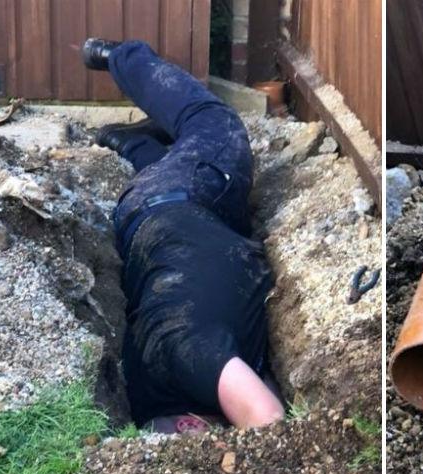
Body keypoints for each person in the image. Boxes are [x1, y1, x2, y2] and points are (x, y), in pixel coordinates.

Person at [80, 38, 285, 432]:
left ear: (191, 427)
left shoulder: (193, 357)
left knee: (216, 124)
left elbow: (270, 424)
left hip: (190, 197)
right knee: (179, 167)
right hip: (141, 221)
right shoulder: (146, 394)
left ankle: (123, 58)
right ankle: (130, 143)